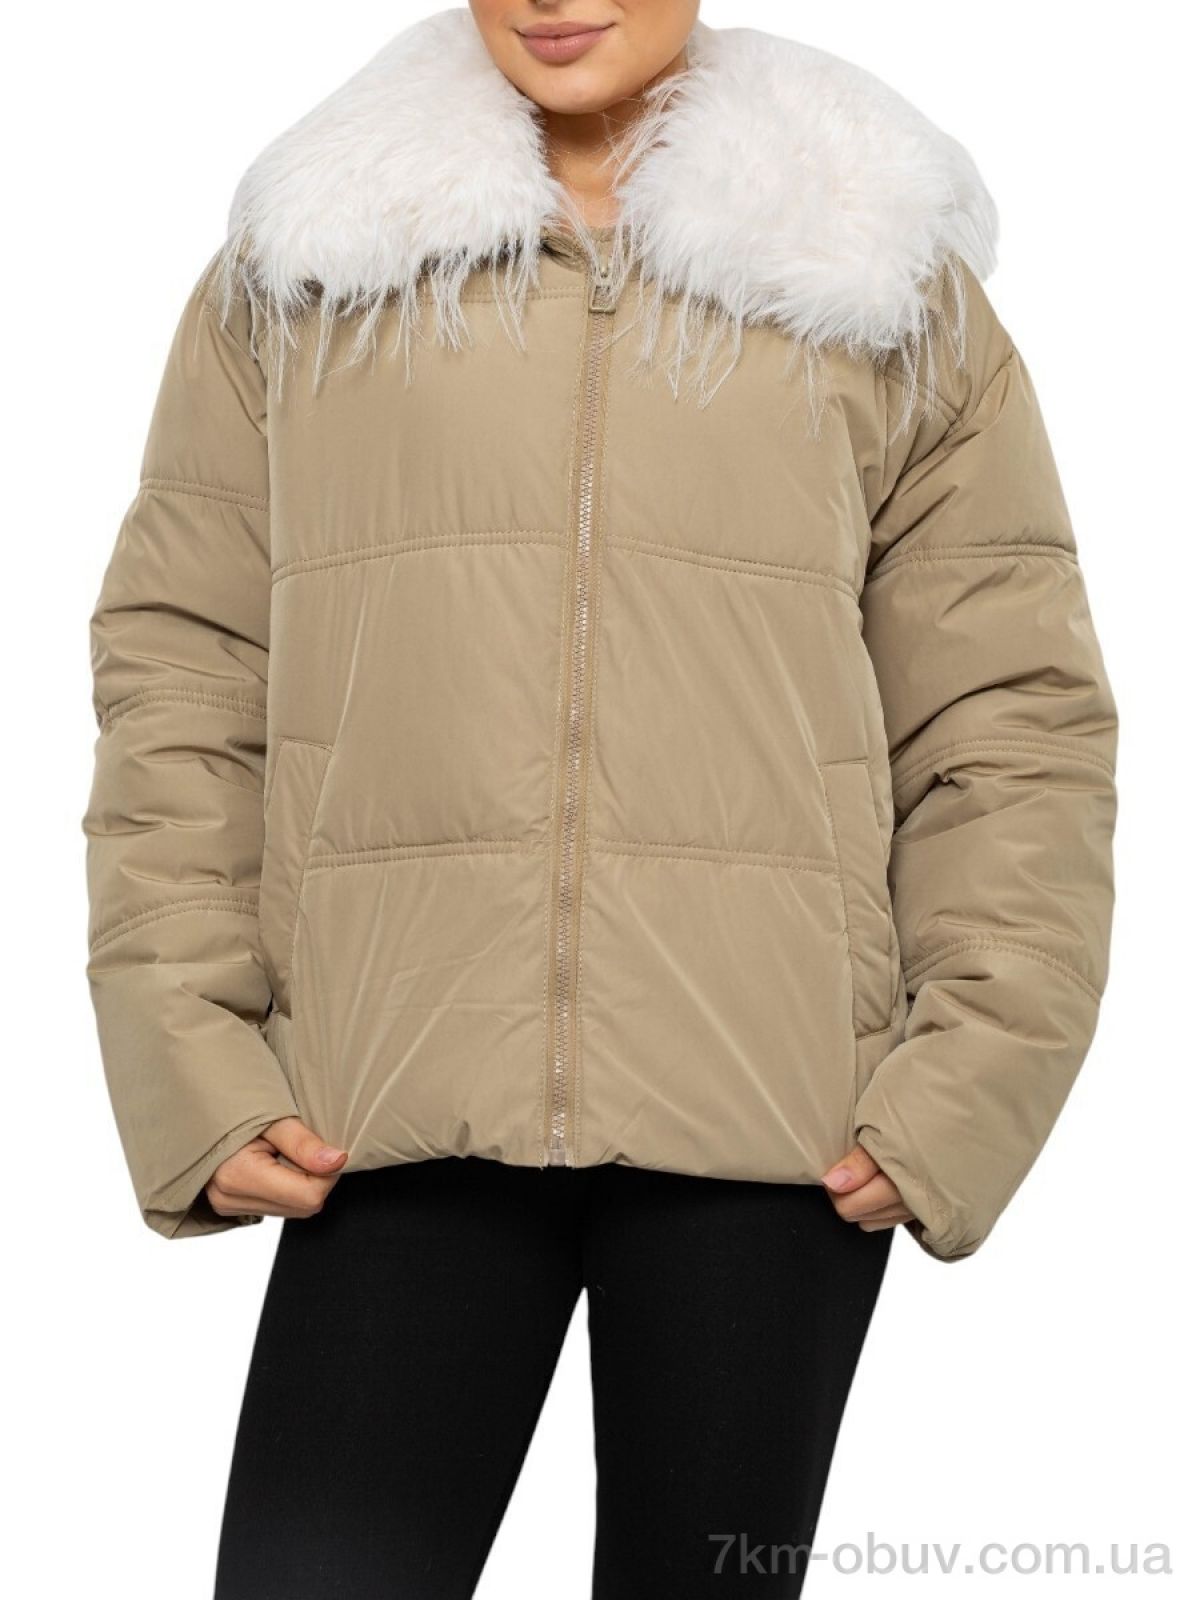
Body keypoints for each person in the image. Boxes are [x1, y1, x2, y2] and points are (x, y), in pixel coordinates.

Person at [81, 3, 1119, 1596]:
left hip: (776, 1131)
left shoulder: (877, 274)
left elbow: (1008, 716)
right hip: (390, 1103)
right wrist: (186, 1049)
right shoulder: (309, 264)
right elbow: (187, 669)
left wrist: (974, 1075)